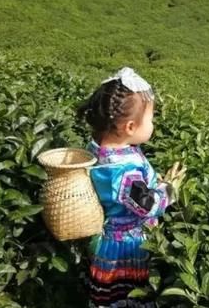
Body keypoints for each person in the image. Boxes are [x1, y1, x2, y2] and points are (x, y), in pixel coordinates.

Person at [77, 67, 186, 308]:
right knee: (126, 295)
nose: (152, 124)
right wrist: (168, 189)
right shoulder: (123, 172)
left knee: (108, 293)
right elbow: (147, 204)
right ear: (129, 127)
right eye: (150, 119)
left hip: (106, 236)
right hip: (126, 246)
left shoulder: (98, 147)